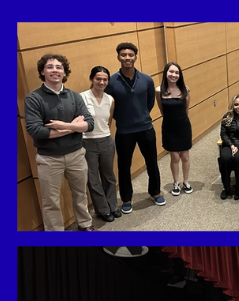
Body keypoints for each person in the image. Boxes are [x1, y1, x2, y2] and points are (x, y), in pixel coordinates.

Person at [24, 53, 95, 231]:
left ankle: (85, 225)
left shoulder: (74, 96)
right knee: (50, 201)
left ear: (64, 72)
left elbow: (90, 124)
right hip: (49, 159)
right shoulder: (33, 99)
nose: (55, 70)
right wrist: (73, 127)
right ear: (42, 71)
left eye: (58, 67)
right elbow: (36, 131)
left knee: (81, 194)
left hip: (76, 154)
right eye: (50, 67)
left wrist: (63, 126)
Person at [108, 42, 163, 213]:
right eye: (123, 55)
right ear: (118, 57)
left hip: (145, 127)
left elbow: (149, 102)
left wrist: (141, 116)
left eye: (130, 55)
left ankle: (155, 192)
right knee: (124, 166)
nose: (127, 58)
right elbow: (110, 105)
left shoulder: (146, 79)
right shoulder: (111, 82)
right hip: (124, 131)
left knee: (152, 162)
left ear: (135, 57)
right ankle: (126, 198)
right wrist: (123, 119)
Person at [80, 65, 118, 223]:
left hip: (106, 140)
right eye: (98, 79)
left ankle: (113, 205)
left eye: (105, 79)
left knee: (109, 176)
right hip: (87, 142)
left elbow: (108, 121)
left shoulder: (110, 99)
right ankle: (102, 209)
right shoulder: (82, 97)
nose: (101, 82)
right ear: (92, 79)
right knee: (93, 178)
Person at [157, 62, 192, 195]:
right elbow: (162, 111)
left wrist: (180, 122)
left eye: (177, 73)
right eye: (171, 72)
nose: (174, 75)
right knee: (175, 157)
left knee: (185, 156)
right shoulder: (159, 90)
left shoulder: (185, 90)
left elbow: (186, 110)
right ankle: (176, 183)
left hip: (183, 126)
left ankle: (186, 181)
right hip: (169, 127)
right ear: (166, 73)